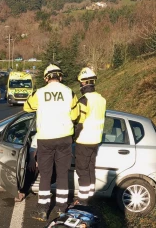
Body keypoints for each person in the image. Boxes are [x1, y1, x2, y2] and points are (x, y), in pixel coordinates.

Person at [24, 64, 80, 221]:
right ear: (60, 77)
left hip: (46, 139)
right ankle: (62, 209)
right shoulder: (70, 92)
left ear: (46, 78)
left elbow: (27, 107)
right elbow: (75, 115)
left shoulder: (40, 93)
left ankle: (42, 208)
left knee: (46, 174)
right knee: (62, 173)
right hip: (64, 139)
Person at [72, 67, 106, 207]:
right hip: (96, 140)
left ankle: (82, 200)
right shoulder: (101, 99)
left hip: (84, 140)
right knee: (90, 169)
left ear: (84, 83)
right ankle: (90, 196)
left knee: (82, 171)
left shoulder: (84, 100)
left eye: (81, 83)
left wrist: (72, 138)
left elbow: (79, 124)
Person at [15, 133, 39, 202]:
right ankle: (23, 191)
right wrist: (33, 160)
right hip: (42, 155)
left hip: (53, 157)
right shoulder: (40, 133)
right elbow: (33, 148)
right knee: (31, 167)